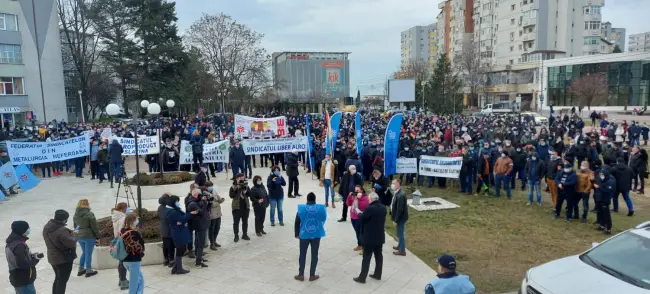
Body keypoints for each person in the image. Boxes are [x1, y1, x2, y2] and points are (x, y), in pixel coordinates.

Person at [353, 193, 386, 284]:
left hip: (369, 237)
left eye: (368, 199)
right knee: (378, 256)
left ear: (371, 199)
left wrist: (358, 211)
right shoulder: (383, 208)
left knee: (366, 257)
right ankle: (378, 274)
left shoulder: (370, 208)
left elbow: (363, 219)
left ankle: (362, 277)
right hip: (379, 237)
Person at [294, 192, 327, 282]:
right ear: (315, 199)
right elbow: (324, 218)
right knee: (314, 254)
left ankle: (301, 275)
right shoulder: (320, 208)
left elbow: (297, 222)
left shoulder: (302, 209)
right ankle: (312, 275)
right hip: (316, 234)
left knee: (303, 254)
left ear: (307, 200)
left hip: (304, 234)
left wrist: (297, 234)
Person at [43, 210, 77, 294]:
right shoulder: (62, 230)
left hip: (52, 258)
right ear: (65, 219)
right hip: (63, 259)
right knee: (62, 281)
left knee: (58, 279)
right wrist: (74, 235)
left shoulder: (47, 227)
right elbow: (71, 243)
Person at [6, 220, 41, 294]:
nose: (29, 230)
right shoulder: (19, 245)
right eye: (27, 228)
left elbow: (18, 258)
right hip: (24, 279)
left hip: (17, 277)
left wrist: (30, 256)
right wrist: (36, 259)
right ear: (22, 230)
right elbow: (23, 264)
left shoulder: (11, 242)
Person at [166, 195, 198, 274]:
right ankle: (179, 268)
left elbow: (181, 218)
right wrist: (190, 214)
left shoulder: (175, 209)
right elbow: (182, 219)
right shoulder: (172, 211)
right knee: (181, 249)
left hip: (179, 231)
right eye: (177, 201)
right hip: (178, 233)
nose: (178, 203)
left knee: (181, 249)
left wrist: (182, 220)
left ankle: (176, 267)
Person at [73, 199, 100, 277]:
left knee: (84, 253)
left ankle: (80, 269)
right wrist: (98, 236)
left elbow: (76, 227)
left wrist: (76, 237)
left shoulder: (75, 215)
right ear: (87, 204)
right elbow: (94, 227)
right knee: (88, 253)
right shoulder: (90, 214)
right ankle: (88, 270)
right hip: (89, 236)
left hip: (79, 237)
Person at [121, 213, 145, 294]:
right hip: (133, 261)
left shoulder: (122, 231)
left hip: (125, 260)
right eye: (136, 219)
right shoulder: (134, 233)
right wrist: (141, 253)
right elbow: (139, 248)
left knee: (140, 279)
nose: (138, 221)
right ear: (133, 221)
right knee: (134, 283)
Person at [187, 188, 211, 268]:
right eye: (200, 194)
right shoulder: (192, 203)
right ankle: (198, 262)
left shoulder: (197, 201)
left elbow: (207, 209)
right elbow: (201, 212)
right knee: (200, 243)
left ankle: (199, 257)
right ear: (196, 195)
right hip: (200, 225)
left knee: (198, 242)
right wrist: (204, 202)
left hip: (202, 224)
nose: (202, 195)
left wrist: (208, 202)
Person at [346, 184, 369, 252]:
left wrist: (359, 198)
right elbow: (348, 204)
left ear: (361, 190)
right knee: (357, 232)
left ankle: (363, 246)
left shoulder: (365, 197)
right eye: (355, 190)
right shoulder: (354, 196)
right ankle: (359, 245)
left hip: (359, 217)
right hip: (353, 216)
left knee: (360, 232)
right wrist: (349, 196)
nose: (356, 192)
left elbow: (363, 206)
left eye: (358, 190)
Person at [111, 202, 129, 289]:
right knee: (123, 261)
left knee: (121, 261)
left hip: (117, 239)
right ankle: (123, 282)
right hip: (122, 241)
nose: (127, 209)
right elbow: (124, 230)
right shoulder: (123, 218)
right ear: (122, 208)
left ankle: (121, 279)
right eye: (126, 208)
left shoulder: (115, 216)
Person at [229, 173, 251, 242]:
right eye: (240, 178)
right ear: (237, 178)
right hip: (236, 207)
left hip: (245, 206)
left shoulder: (246, 185)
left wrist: (246, 189)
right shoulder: (233, 186)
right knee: (236, 222)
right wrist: (237, 188)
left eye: (243, 178)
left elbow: (249, 194)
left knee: (245, 222)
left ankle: (245, 234)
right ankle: (236, 236)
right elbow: (231, 195)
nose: (242, 179)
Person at [594, 169, 615, 235]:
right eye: (600, 174)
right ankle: (602, 225)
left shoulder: (610, 181)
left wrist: (599, 187)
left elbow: (607, 190)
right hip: (600, 199)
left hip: (605, 200)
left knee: (606, 215)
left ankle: (608, 229)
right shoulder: (602, 180)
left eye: (602, 175)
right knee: (600, 213)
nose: (601, 176)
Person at [391, 179, 408, 256]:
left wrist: (395, 220)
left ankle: (402, 250)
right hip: (399, 217)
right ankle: (399, 246)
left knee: (401, 234)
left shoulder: (400, 195)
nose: (392, 185)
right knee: (399, 233)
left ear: (398, 184)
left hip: (400, 218)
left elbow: (399, 209)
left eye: (394, 183)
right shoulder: (397, 193)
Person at [157, 194, 175, 267]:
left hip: (163, 228)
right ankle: (172, 260)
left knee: (165, 244)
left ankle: (166, 259)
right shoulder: (169, 209)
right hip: (169, 228)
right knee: (171, 245)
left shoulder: (160, 208)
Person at [207, 181, 225, 250]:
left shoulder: (214, 191)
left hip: (218, 213)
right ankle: (212, 243)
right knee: (212, 229)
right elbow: (210, 204)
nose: (211, 187)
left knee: (217, 228)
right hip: (211, 214)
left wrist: (221, 200)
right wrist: (217, 203)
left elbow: (218, 199)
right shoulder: (205, 194)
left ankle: (214, 240)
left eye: (212, 186)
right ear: (206, 187)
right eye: (210, 186)